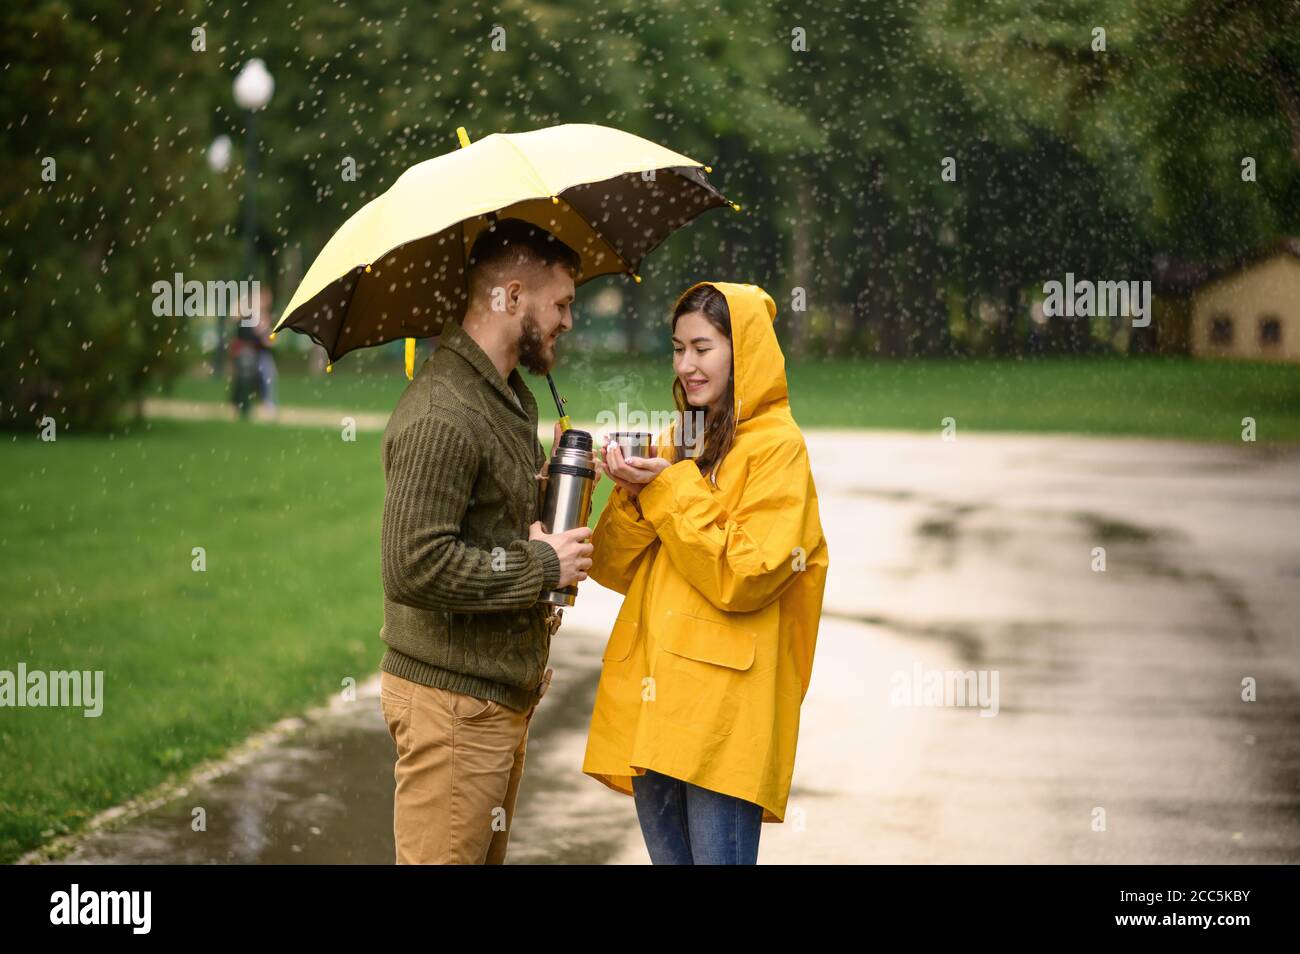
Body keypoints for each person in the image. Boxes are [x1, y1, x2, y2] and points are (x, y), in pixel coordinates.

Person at [582, 281, 829, 864]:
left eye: (703, 347)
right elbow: (614, 567)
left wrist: (665, 488)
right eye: (677, 348)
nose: (687, 365)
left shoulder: (778, 449)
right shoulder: (678, 441)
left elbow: (747, 574)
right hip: (655, 702)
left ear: (741, 352)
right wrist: (632, 494)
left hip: (723, 715)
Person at [377, 218, 594, 864]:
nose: (567, 322)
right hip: (451, 712)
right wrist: (538, 564)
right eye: (562, 305)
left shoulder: (503, 400)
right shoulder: (445, 411)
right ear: (514, 295)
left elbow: (489, 528)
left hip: (489, 707)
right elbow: (412, 566)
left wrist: (554, 493)